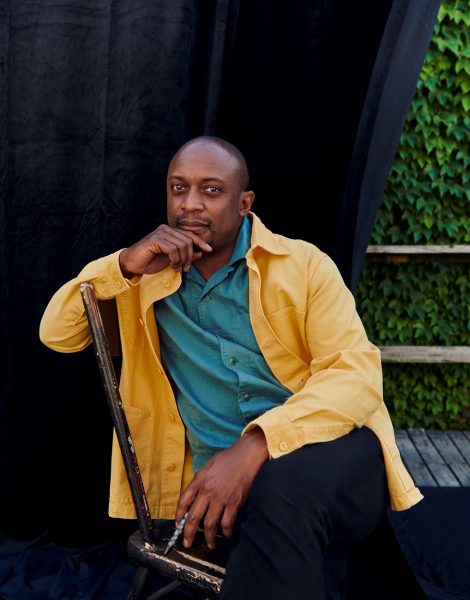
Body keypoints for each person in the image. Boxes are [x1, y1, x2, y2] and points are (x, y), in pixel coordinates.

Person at [40, 136, 422, 599]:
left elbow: (356, 376)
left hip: (336, 457)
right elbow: (58, 333)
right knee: (274, 504)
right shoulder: (142, 280)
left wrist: (256, 446)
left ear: (245, 203)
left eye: (211, 190)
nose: (190, 204)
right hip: (220, 491)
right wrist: (123, 262)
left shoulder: (302, 265)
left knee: (279, 488)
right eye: (178, 188)